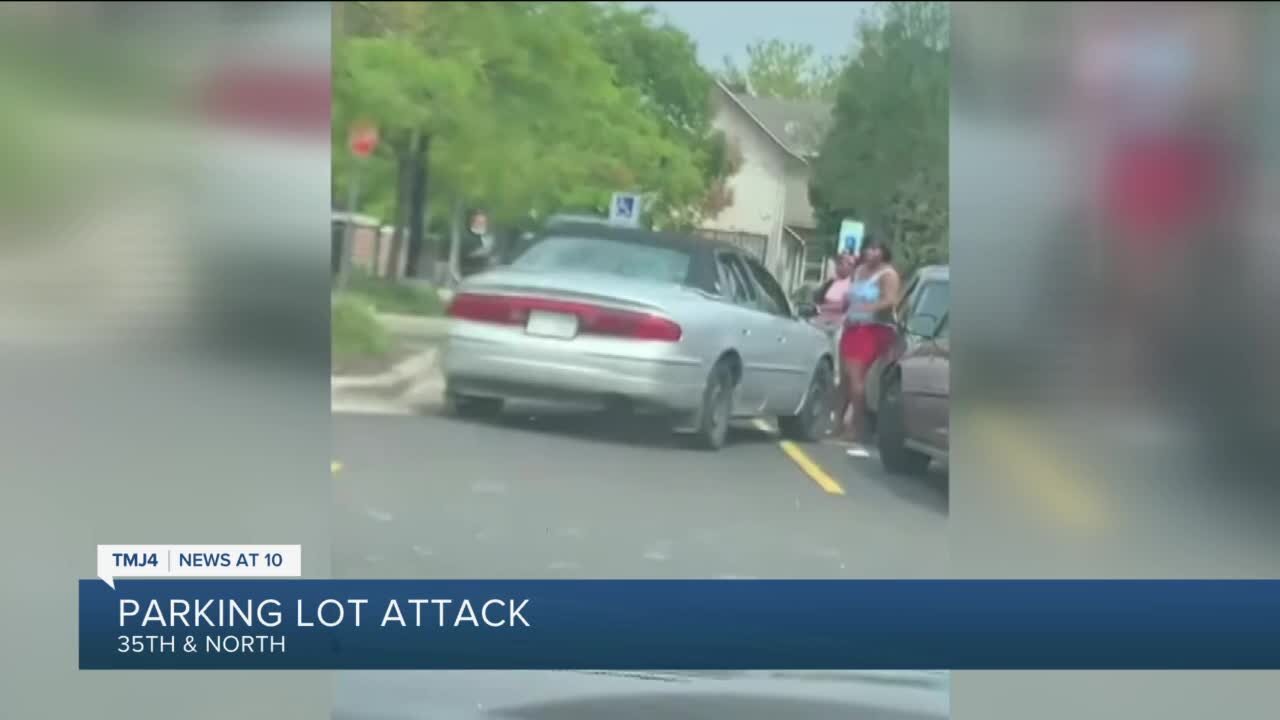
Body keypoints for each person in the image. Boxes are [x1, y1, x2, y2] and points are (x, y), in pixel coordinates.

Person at [837, 237, 900, 455]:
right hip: (852, 326)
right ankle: (838, 422)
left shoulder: (887, 274)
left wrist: (867, 308)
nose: (871, 253)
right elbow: (850, 294)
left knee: (857, 377)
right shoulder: (859, 270)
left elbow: (890, 300)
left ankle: (857, 426)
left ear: (883, 251)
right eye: (868, 248)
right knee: (844, 376)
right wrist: (846, 306)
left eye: (876, 248)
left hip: (873, 328)